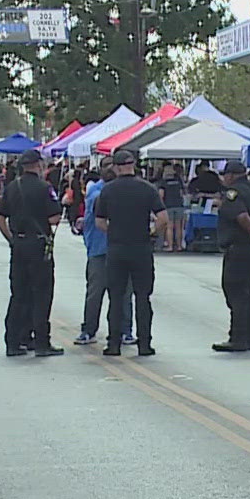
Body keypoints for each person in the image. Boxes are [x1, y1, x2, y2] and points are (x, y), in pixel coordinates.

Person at [94, 149, 164, 357]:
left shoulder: (107, 191)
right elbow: (163, 218)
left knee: (116, 296)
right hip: (141, 247)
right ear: (133, 165)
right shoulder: (147, 189)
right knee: (143, 296)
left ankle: (114, 343)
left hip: (117, 248)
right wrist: (150, 233)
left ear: (115, 167)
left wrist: (114, 231)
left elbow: (99, 222)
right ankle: (144, 343)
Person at [0, 148, 63, 357]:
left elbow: (0, 219)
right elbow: (54, 218)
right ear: (39, 165)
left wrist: (12, 239)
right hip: (38, 244)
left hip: (19, 244)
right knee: (42, 293)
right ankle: (41, 341)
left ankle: (14, 341)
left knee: (19, 294)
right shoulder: (45, 188)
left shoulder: (11, 188)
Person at [213, 159, 250, 353]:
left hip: (240, 247)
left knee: (235, 291)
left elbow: (241, 215)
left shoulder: (233, 193)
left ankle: (238, 337)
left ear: (230, 175)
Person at [74, 160, 133, 347]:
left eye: (114, 164)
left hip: (122, 249)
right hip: (99, 250)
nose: (111, 168)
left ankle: (125, 331)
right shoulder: (96, 192)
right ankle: (88, 330)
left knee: (124, 293)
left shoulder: (126, 189)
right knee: (95, 291)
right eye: (107, 164)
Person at [159, 167, 188, 253]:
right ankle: (179, 246)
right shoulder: (178, 180)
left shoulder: (163, 182)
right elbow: (182, 192)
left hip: (168, 206)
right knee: (179, 227)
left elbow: (161, 195)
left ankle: (170, 246)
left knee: (170, 227)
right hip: (179, 205)